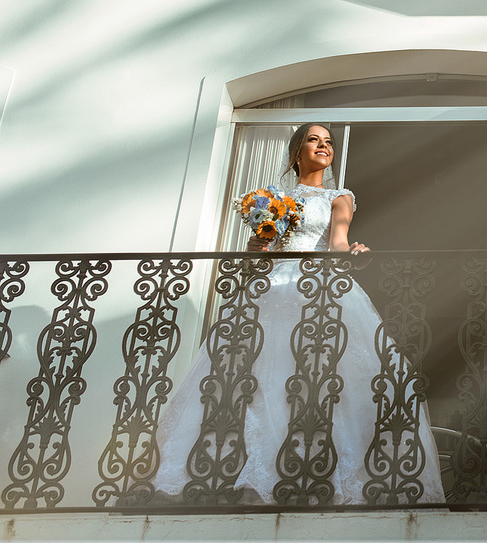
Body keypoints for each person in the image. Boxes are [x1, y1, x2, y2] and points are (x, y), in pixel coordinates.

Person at [154, 123, 445, 505]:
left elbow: (337, 243)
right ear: (297, 152)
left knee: (320, 378)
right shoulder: (271, 198)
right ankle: (247, 474)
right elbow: (264, 250)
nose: (323, 146)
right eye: (314, 139)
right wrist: (256, 244)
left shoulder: (340, 197)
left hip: (317, 286)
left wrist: (354, 255)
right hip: (273, 288)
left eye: (328, 142)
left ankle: (316, 474)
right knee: (262, 379)